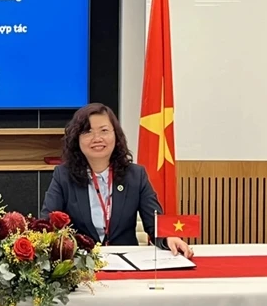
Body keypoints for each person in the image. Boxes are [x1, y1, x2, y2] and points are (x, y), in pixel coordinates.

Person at [41, 102, 193, 258]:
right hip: (81, 265)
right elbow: (47, 223)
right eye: (88, 132)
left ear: (116, 135)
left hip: (127, 262)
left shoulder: (135, 175)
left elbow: (155, 222)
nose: (97, 138)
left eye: (104, 131)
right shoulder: (64, 176)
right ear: (77, 139)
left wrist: (169, 237)